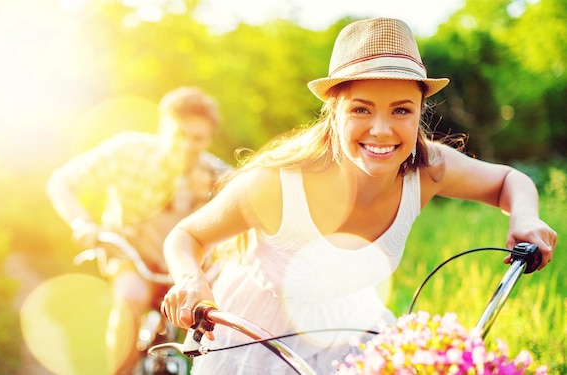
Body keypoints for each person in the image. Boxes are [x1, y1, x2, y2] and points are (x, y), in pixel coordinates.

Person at [161, 18, 558, 374]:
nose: (382, 130)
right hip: (257, 338)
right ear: (334, 111)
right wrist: (190, 279)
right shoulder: (279, 184)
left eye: (401, 111)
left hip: (350, 331)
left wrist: (524, 219)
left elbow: (510, 180)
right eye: (361, 110)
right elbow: (187, 236)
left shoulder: (429, 170)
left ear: (421, 109)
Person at [46, 86, 231, 374]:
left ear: (208, 139)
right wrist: (83, 223)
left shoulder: (217, 174)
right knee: (131, 298)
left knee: (214, 321)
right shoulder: (128, 153)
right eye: (179, 134)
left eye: (197, 138)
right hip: (133, 260)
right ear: (163, 127)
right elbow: (62, 182)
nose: (186, 146)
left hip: (187, 272)